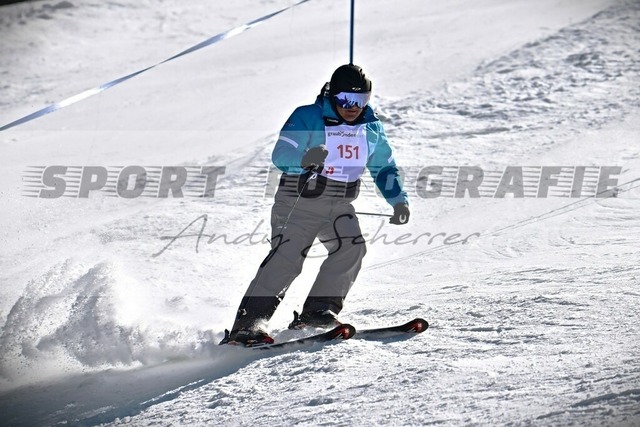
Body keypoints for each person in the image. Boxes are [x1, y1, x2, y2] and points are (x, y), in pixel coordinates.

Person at [220, 64, 410, 346]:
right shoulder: (308, 116)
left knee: (351, 248)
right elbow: (281, 154)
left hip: (339, 204)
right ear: (333, 94)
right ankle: (247, 326)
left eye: (361, 100)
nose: (353, 107)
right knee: (288, 257)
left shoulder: (371, 128)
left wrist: (398, 201)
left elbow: (384, 167)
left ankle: (318, 313)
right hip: (298, 201)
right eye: (346, 99)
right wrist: (304, 159)